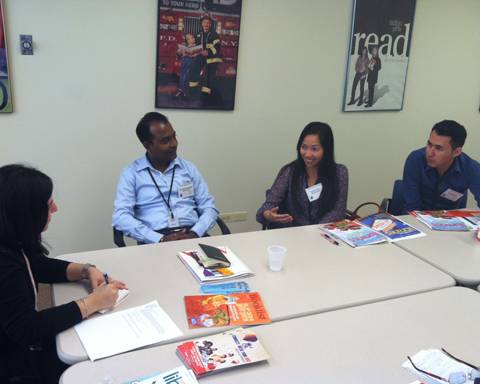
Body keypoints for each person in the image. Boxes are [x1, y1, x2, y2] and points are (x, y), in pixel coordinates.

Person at [0, 164, 126, 384]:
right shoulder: (4, 264)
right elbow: (28, 329)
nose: (55, 208)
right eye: (49, 205)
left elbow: (39, 266)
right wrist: (92, 303)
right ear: (26, 213)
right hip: (12, 359)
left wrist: (87, 270)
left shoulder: (11, 238)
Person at [112, 112, 219, 244]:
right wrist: (159, 239)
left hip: (192, 236)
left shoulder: (189, 169)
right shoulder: (131, 174)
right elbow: (121, 217)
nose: (174, 144)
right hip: (154, 241)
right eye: (166, 140)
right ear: (148, 146)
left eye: (174, 137)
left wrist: (195, 233)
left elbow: (209, 207)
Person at [256, 122, 348, 228]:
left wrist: (314, 232)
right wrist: (269, 215)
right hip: (295, 235)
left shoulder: (340, 172)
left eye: (315, 149)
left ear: (326, 150)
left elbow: (338, 212)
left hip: (326, 234)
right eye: (304, 147)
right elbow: (264, 209)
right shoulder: (289, 171)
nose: (307, 154)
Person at [403, 120, 480, 213]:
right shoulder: (416, 159)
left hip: (450, 221)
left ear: (456, 152)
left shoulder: (471, 168)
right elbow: (412, 206)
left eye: (439, 148)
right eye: (429, 144)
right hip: (418, 218)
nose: (430, 153)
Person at [188, 12, 223, 107]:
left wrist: (208, 52)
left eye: (208, 23)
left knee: (208, 78)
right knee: (193, 71)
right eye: (204, 22)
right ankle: (193, 95)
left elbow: (217, 48)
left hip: (213, 59)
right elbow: (196, 46)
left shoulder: (214, 35)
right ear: (202, 24)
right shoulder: (199, 34)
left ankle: (205, 99)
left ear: (210, 25)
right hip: (202, 57)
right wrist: (193, 52)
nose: (206, 24)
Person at [172, 33, 198, 101]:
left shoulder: (196, 48)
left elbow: (197, 55)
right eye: (192, 38)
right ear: (188, 41)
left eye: (193, 38)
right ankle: (181, 92)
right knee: (183, 78)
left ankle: (183, 92)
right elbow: (181, 54)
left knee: (187, 79)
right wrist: (181, 51)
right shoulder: (185, 48)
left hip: (191, 66)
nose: (194, 39)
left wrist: (195, 55)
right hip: (184, 65)